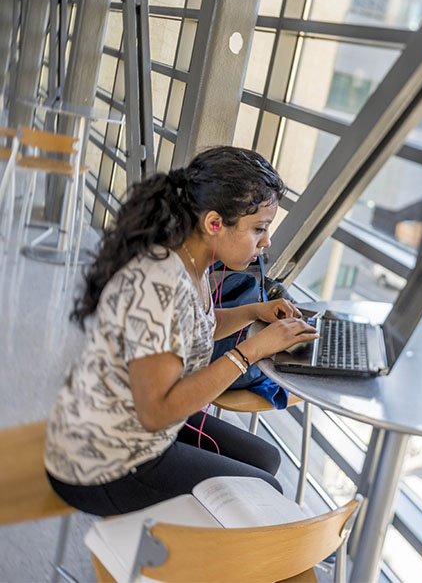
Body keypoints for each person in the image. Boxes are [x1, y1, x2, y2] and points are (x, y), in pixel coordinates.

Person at [44, 146, 318, 516]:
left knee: (265, 459)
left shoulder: (188, 258)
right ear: (214, 223)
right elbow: (157, 413)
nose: (266, 241)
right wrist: (250, 351)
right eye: (259, 228)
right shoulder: (159, 283)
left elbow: (194, 325)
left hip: (132, 423)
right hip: (104, 460)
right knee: (263, 489)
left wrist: (255, 311)